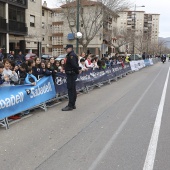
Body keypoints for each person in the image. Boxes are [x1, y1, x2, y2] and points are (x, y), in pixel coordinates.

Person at [62, 44, 81, 111]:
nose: (66, 50)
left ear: (70, 48)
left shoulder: (71, 55)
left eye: (66, 48)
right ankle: (72, 104)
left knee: (71, 90)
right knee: (72, 90)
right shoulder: (71, 55)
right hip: (72, 74)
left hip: (71, 74)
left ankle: (70, 105)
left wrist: (78, 70)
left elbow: (74, 65)